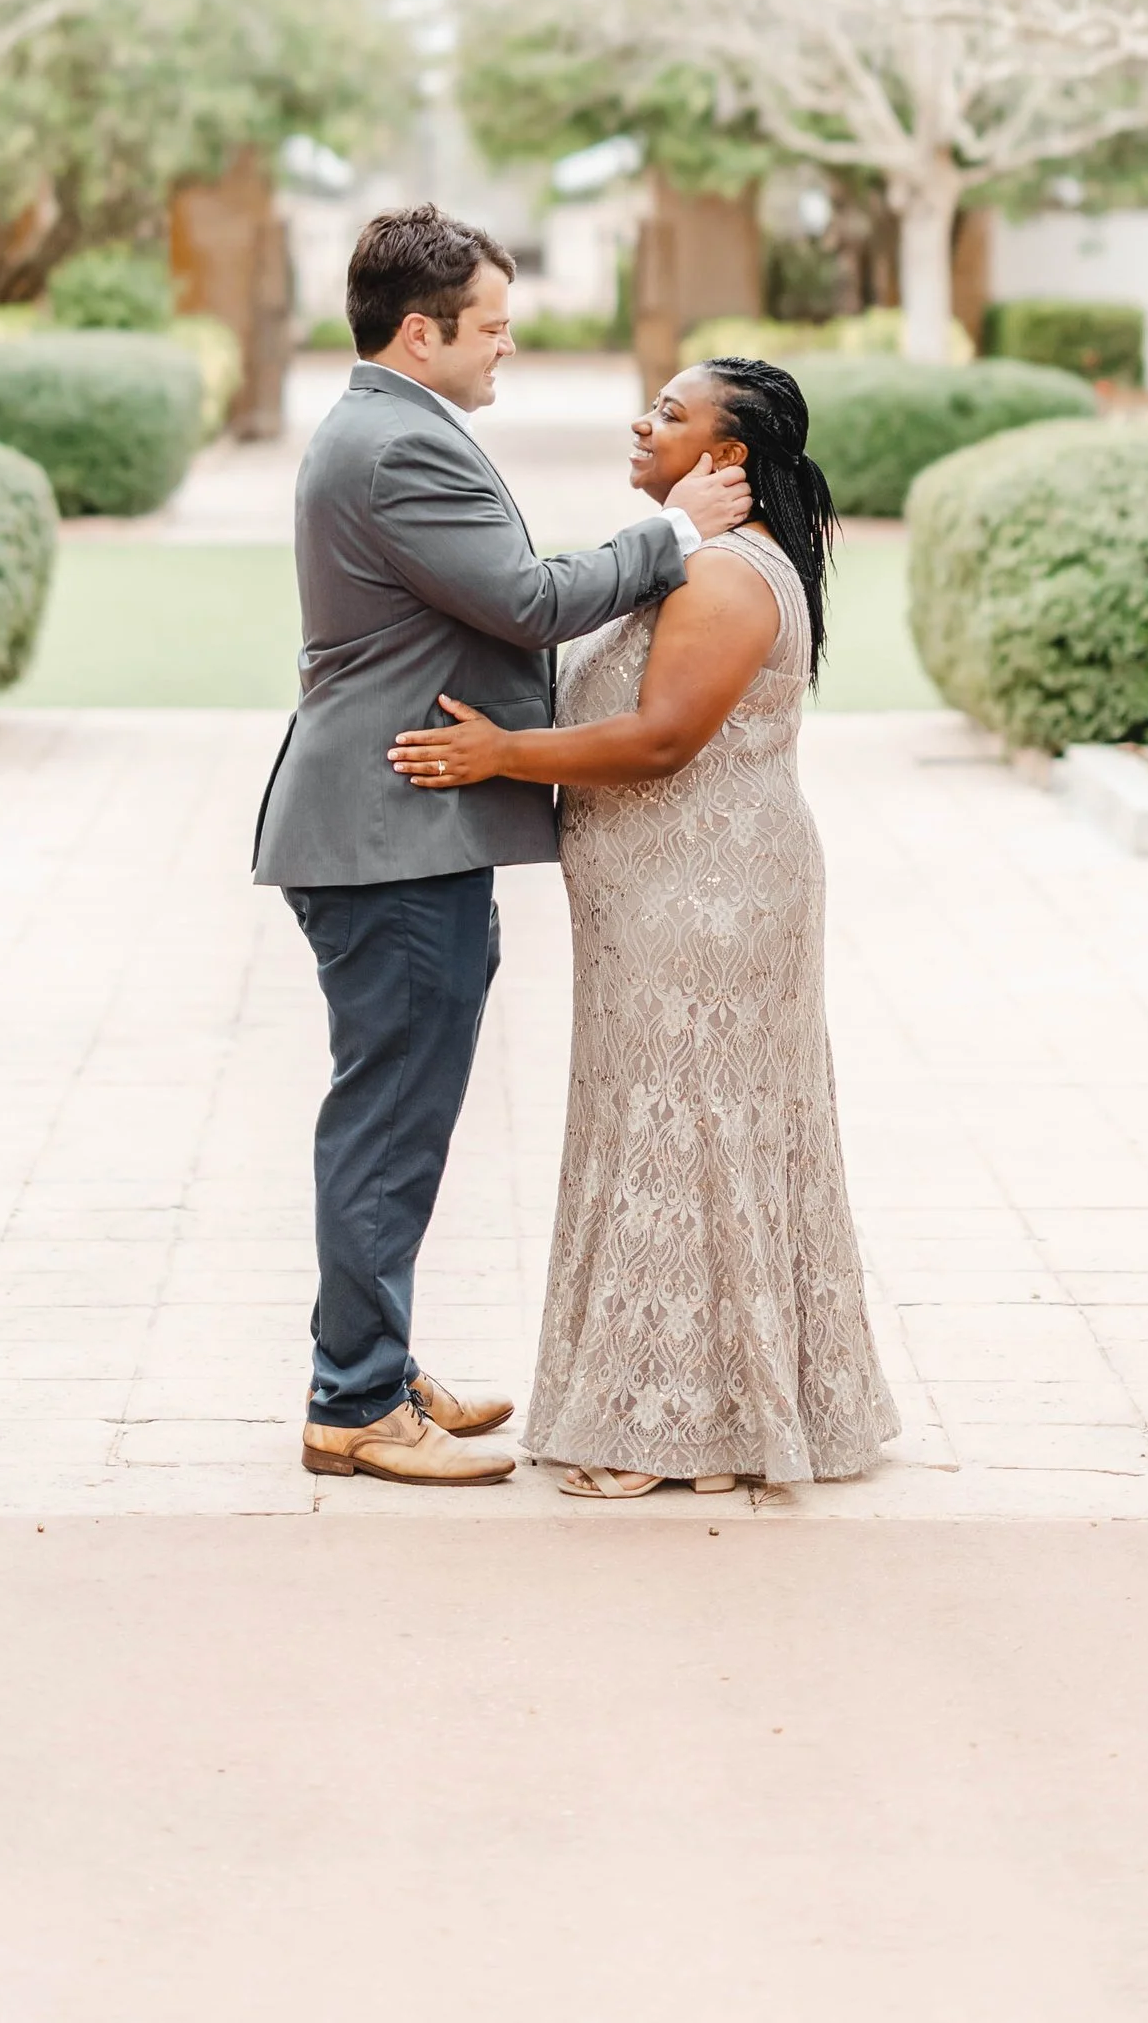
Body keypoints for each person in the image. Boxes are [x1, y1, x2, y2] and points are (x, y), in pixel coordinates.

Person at [255, 205, 751, 1488]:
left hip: (401, 825)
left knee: (401, 1110)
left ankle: (370, 1357)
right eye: (491, 326)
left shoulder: (392, 426)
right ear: (421, 334)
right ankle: (354, 1401)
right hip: (389, 831)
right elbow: (526, 600)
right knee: (391, 1117)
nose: (506, 348)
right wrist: (677, 532)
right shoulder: (394, 448)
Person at [392, 354, 897, 1497]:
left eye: (670, 414)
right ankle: (699, 1407)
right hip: (660, 898)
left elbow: (664, 738)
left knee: (687, 1139)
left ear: (724, 457)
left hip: (705, 901)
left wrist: (500, 755)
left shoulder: (724, 578)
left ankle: (689, 1433)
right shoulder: (693, 557)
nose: (641, 419)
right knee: (670, 1133)